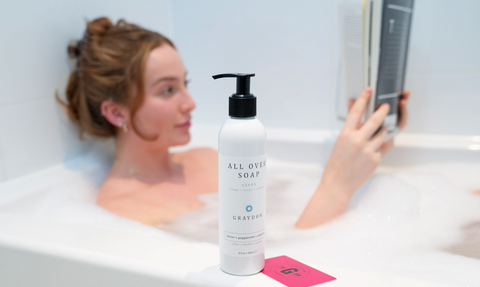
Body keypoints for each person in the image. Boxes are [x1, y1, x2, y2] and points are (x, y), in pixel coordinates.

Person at [59, 17, 410, 228]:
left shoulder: (208, 158)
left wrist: (370, 141)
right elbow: (273, 271)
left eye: (186, 84)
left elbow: (286, 225)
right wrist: (336, 188)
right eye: (167, 90)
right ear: (116, 112)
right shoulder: (122, 213)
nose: (190, 103)